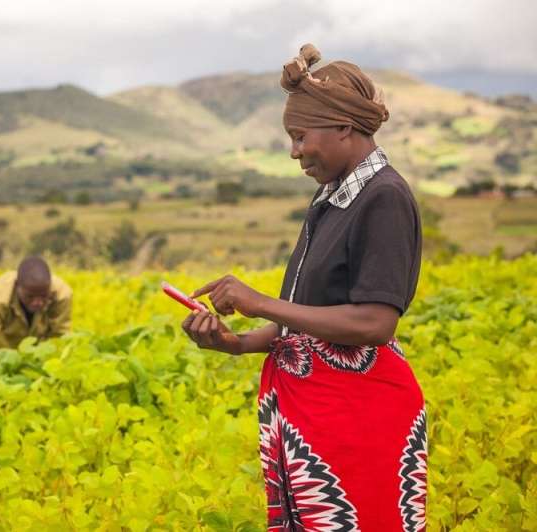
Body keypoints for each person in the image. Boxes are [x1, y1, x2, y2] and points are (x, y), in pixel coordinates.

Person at [181, 44, 426, 531]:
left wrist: (258, 302)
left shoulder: (384, 198)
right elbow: (306, 314)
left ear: (342, 127)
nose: (294, 151)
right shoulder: (330, 196)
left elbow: (377, 323)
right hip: (317, 417)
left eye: (299, 137)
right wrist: (237, 344)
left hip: (359, 418)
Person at [0, 256, 72, 356]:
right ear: (17, 286)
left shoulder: (61, 295)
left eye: (43, 296)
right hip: (1, 354)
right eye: (30, 296)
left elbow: (60, 338)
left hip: (39, 354)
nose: (38, 302)